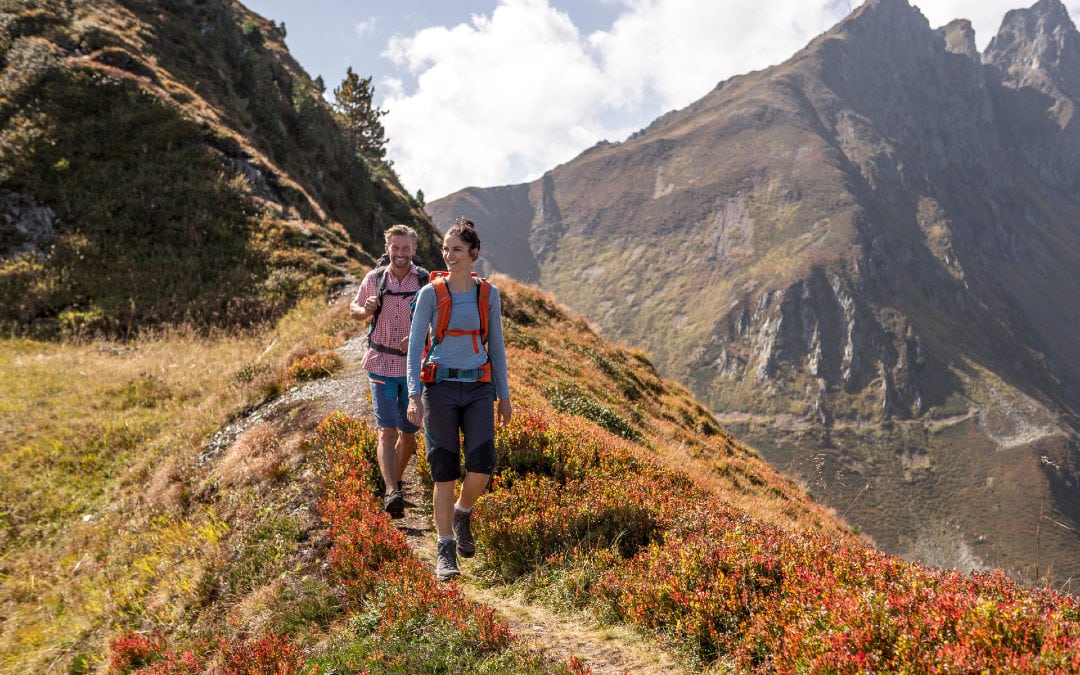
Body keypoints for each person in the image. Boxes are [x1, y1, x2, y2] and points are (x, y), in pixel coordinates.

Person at [406, 218, 512, 581]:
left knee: (483, 465)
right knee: (444, 471)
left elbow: (496, 346)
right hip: (440, 388)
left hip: (480, 388)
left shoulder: (489, 294)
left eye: (457, 249)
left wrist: (504, 396)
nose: (449, 255)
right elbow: (415, 348)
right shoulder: (430, 294)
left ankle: (463, 511)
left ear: (474, 253)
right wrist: (414, 395)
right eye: (446, 249)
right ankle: (445, 549)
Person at [351, 224, 428, 518]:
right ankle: (392, 490)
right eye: (395, 248)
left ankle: (390, 485)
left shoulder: (424, 281)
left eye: (405, 248)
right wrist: (366, 311)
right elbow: (354, 309)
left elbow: (437, 320)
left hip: (412, 368)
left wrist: (421, 339)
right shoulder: (373, 279)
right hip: (381, 363)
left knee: (408, 432)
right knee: (386, 430)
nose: (400, 253)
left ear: (414, 250)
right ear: (387, 249)